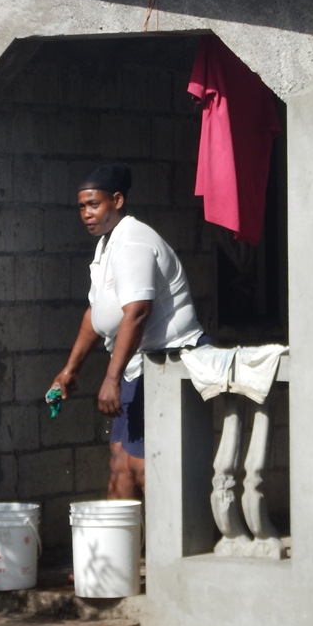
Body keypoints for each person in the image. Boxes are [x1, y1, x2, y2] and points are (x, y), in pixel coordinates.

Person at [51, 162, 204, 499]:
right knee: (121, 461)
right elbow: (96, 314)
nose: (87, 214)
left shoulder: (133, 242)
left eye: (95, 204)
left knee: (142, 464)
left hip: (165, 362)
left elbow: (137, 313)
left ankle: (166, 549)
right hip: (137, 367)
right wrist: (69, 369)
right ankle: (121, 550)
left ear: (117, 201)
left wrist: (110, 379)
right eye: (82, 207)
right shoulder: (106, 246)